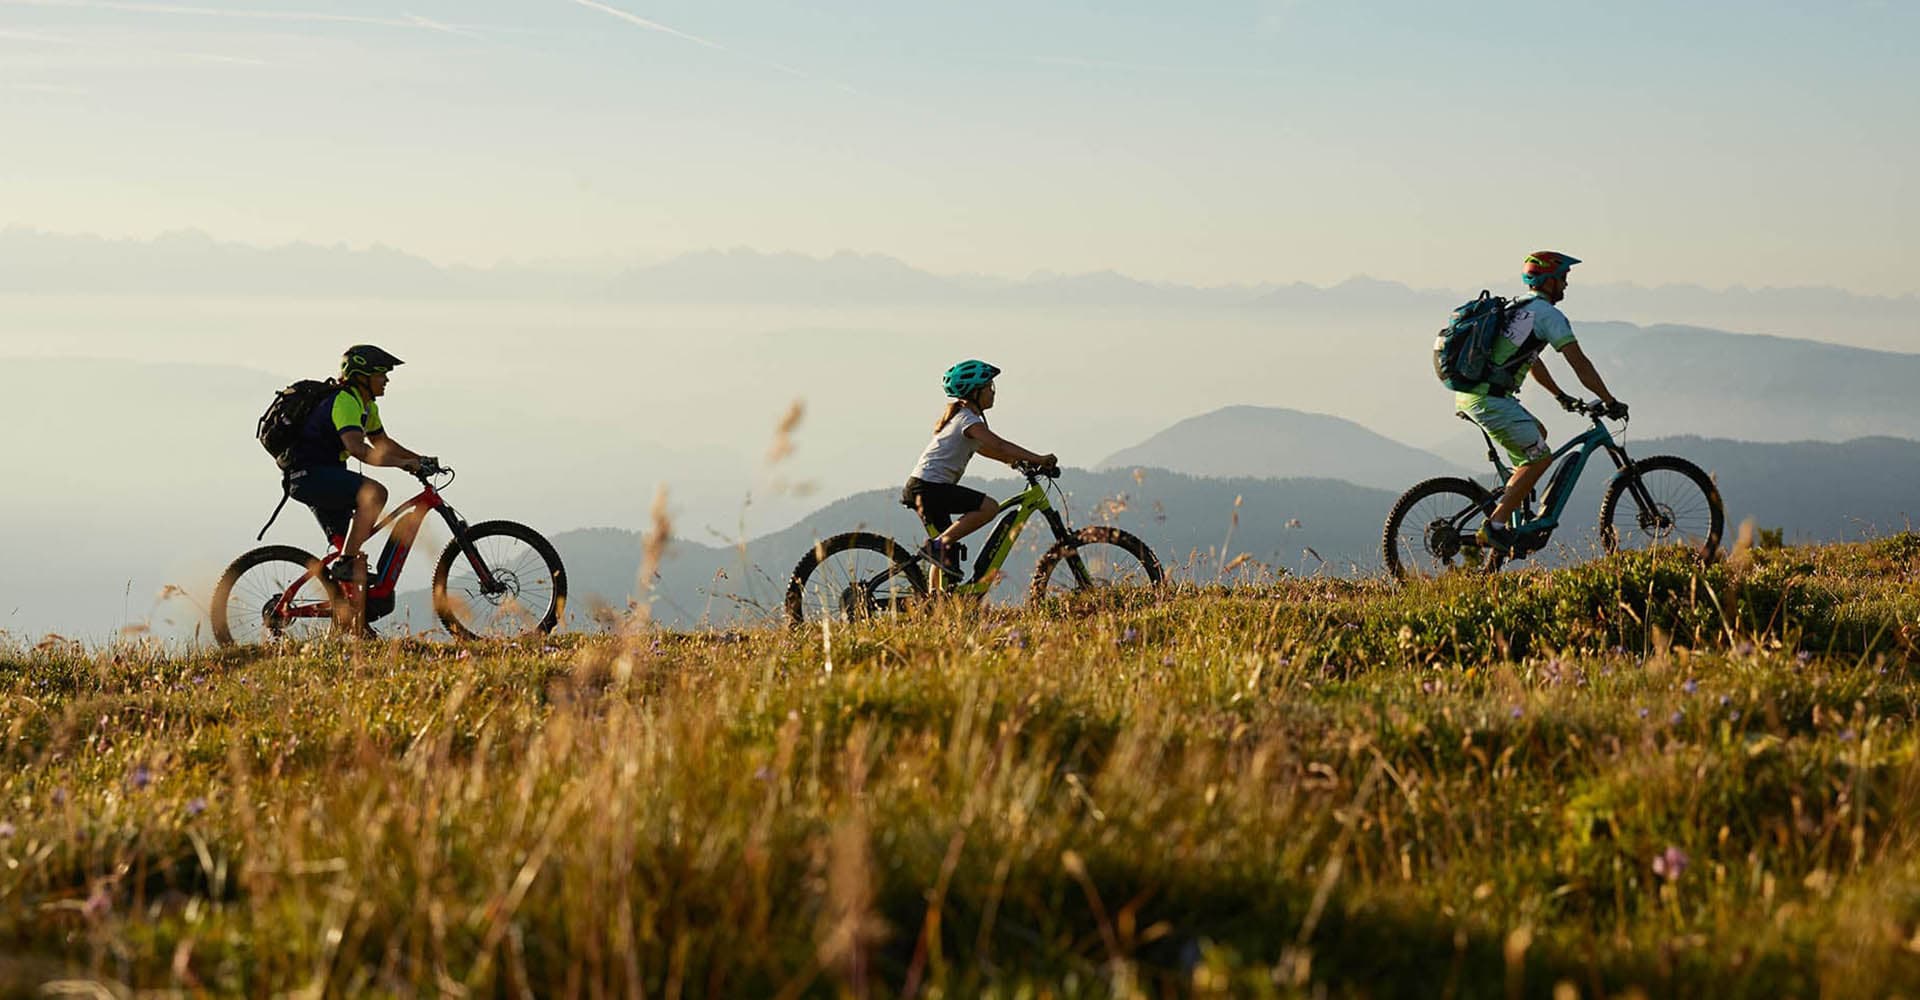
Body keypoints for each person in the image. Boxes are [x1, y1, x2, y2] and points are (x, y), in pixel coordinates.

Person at [1456, 252, 1628, 552]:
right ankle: (1495, 526)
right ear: (1548, 281)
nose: (1565, 285)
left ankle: (1513, 497)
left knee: (1540, 434)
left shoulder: (1518, 308)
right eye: (1562, 278)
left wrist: (1559, 395)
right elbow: (1579, 363)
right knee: (1540, 458)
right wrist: (1609, 400)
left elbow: (1531, 360)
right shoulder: (1548, 315)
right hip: (1491, 400)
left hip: (1475, 394)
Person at [284, 345, 434, 582]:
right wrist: (402, 464)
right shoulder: (344, 402)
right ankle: (345, 564)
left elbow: (382, 442)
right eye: (380, 374)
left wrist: (418, 460)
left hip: (326, 474)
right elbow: (357, 449)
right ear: (362, 377)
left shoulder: (366, 405)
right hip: (310, 475)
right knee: (374, 494)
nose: (386, 380)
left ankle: (347, 606)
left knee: (350, 548)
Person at [902, 360, 1057, 580]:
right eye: (989, 388)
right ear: (974, 392)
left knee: (947, 554)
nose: (993, 393)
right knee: (989, 507)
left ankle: (933, 604)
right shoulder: (967, 420)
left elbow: (986, 449)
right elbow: (999, 445)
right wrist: (1038, 458)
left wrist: (1013, 462)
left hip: (924, 488)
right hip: (929, 489)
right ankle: (936, 547)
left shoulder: (965, 419)